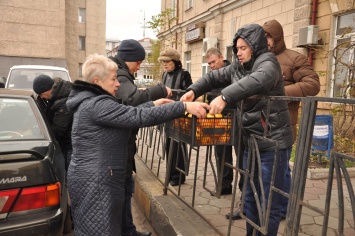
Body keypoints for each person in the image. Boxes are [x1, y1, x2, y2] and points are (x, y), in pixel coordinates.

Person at [66, 53, 209, 236]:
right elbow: (136, 117)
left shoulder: (92, 101)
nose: (118, 84)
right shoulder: (97, 104)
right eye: (113, 79)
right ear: (97, 81)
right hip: (96, 180)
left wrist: (153, 105)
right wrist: (182, 108)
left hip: (95, 177)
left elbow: (125, 114)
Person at [181, 24, 294, 236]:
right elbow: (213, 77)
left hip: (272, 142)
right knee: (250, 195)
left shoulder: (268, 62)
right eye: (237, 48)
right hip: (249, 140)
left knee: (268, 199)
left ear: (255, 46)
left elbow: (260, 79)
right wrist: (193, 90)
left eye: (243, 48)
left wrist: (225, 96)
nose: (238, 53)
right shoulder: (238, 66)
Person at [110, 39, 172, 236]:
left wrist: (154, 104)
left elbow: (131, 105)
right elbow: (131, 100)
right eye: (138, 62)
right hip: (118, 148)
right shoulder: (120, 74)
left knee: (125, 191)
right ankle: (126, 232)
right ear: (129, 59)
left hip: (121, 146)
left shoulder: (120, 72)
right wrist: (159, 90)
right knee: (123, 192)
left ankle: (129, 230)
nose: (139, 66)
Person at [262, 19, 320, 220]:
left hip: (283, 123)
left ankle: (283, 210)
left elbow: (312, 84)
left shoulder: (294, 58)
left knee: (281, 169)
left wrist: (280, 93)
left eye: (269, 36)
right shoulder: (258, 59)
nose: (266, 40)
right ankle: (259, 205)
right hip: (259, 122)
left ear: (277, 37)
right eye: (263, 36)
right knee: (261, 167)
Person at [158, 48, 193, 186]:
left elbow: (190, 92)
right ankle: (171, 173)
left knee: (178, 145)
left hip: (179, 114)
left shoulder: (184, 74)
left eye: (167, 62)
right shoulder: (164, 75)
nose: (165, 65)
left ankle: (179, 175)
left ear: (175, 62)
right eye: (163, 62)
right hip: (166, 114)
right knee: (168, 145)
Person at [204, 47, 234, 195]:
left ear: (222, 57)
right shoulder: (212, 76)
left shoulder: (233, 71)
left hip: (234, 117)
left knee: (241, 155)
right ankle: (224, 185)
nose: (212, 66)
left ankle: (245, 190)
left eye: (213, 62)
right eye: (209, 64)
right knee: (221, 153)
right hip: (218, 119)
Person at [33, 74, 73, 170]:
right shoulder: (57, 95)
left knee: (68, 174)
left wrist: (37, 134)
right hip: (67, 142)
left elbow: (58, 131)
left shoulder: (64, 101)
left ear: (47, 90)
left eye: (41, 94)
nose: (41, 97)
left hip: (71, 145)